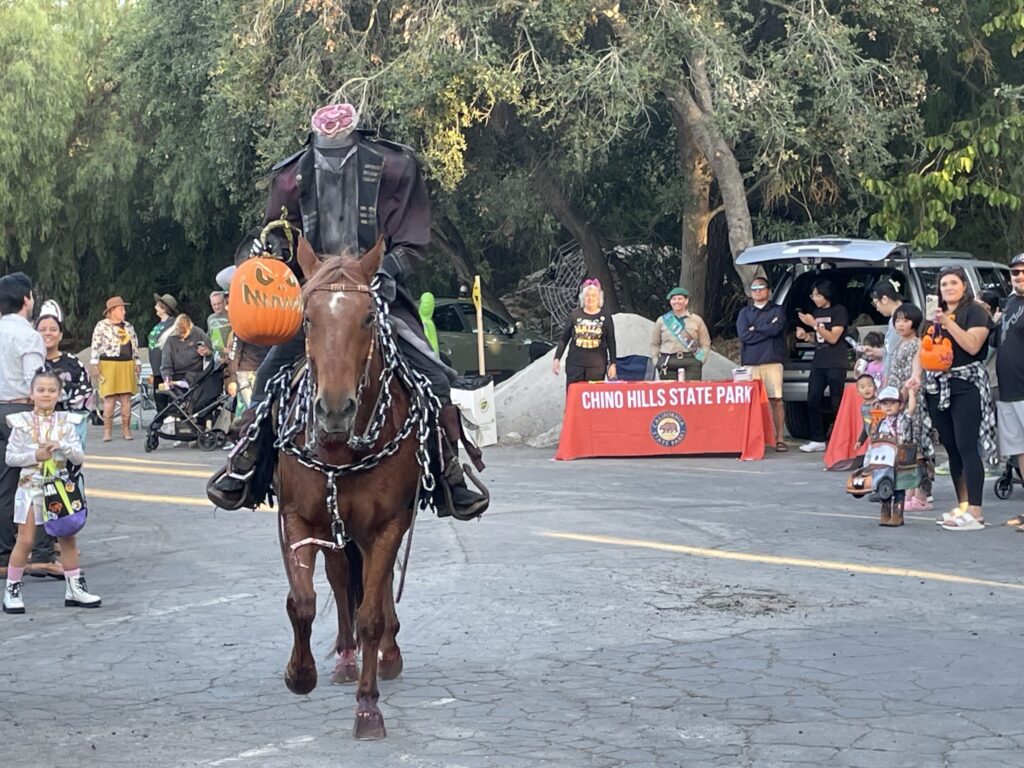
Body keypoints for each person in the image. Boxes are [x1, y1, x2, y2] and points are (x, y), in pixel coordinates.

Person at [207, 103, 487, 519]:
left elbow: (412, 243)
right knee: (268, 374)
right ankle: (247, 462)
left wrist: (383, 269)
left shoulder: (394, 167)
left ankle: (449, 472)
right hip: (316, 297)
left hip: (374, 291)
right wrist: (272, 259)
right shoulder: (290, 176)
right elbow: (277, 238)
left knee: (431, 373)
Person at [2, 369, 101, 613]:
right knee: (25, 539)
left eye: (52, 390)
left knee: (67, 537)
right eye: (41, 390)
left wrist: (63, 446)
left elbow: (79, 456)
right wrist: (35, 455)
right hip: (29, 486)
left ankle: (75, 587)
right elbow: (11, 457)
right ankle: (12, 589)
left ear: (59, 394)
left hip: (60, 489)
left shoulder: (68, 422)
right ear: (31, 394)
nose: (46, 395)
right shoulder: (21, 422)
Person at [909, 265, 996, 531]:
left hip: (965, 383)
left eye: (953, 283)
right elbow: (921, 350)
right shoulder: (933, 316)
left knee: (967, 445)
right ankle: (963, 506)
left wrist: (948, 323)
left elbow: (972, 344)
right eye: (944, 284)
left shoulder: (976, 312)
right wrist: (915, 376)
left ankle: (977, 511)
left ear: (964, 286)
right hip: (937, 386)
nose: (948, 288)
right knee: (952, 446)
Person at [31, 301, 92, 579]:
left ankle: (62, 533)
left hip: (68, 429)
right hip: (38, 432)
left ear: (60, 332)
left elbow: (85, 396)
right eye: (42, 328)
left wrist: (66, 417)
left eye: (52, 328)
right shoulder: (33, 361)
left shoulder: (73, 362)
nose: (48, 333)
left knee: (67, 482)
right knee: (36, 485)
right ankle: (39, 540)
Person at [0, 273, 45, 582]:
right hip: (19, 409)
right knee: (31, 482)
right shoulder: (28, 335)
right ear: (26, 298)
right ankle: (40, 550)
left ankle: (5, 553)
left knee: (3, 483)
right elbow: (36, 384)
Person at [886, 303, 934, 511]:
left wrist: (901, 397)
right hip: (899, 401)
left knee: (917, 449)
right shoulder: (900, 344)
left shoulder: (915, 344)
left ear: (915, 322)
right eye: (897, 320)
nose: (900, 324)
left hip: (912, 402)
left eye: (905, 320)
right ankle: (909, 492)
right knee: (906, 450)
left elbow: (910, 376)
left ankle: (921, 495)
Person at [794, 279, 849, 452]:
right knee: (813, 399)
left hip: (836, 361)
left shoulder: (839, 311)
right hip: (819, 361)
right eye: (813, 295)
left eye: (818, 295)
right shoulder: (816, 312)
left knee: (836, 401)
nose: (815, 298)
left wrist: (813, 324)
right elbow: (818, 339)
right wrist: (805, 336)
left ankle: (841, 436)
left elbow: (833, 338)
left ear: (827, 294)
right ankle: (817, 438)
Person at [736, 276, 788, 451]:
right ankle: (752, 439)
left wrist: (756, 329)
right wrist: (766, 328)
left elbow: (777, 329)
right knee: (750, 402)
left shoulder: (778, 310)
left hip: (773, 360)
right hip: (750, 362)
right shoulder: (744, 313)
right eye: (754, 288)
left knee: (776, 400)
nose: (757, 291)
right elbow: (744, 335)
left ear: (768, 290)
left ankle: (779, 438)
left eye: (761, 287)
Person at [994, 253, 1024, 529]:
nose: (1019, 276)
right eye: (1015, 273)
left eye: (1023, 272)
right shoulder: (1010, 303)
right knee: (1020, 452)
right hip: (1008, 390)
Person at [89, 296, 141, 442]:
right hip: (108, 364)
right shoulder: (102, 326)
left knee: (126, 398)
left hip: (126, 363)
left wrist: (137, 362)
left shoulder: (129, 327)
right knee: (109, 398)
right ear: (112, 311)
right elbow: (95, 345)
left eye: (123, 309)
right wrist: (95, 364)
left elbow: (134, 346)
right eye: (121, 309)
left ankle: (126, 429)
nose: (124, 311)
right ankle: (107, 431)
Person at [552, 279, 617, 390]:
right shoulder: (575, 315)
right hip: (575, 365)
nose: (590, 298)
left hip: (597, 367)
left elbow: (611, 341)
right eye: (587, 295)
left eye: (593, 295)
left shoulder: (606, 317)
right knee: (574, 399)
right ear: (583, 297)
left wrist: (613, 364)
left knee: (593, 401)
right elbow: (564, 338)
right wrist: (557, 358)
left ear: (599, 298)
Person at [870, 385, 916, 528]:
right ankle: (885, 513)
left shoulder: (902, 419)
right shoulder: (879, 423)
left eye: (893, 403)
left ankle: (897, 515)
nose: (888, 407)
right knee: (884, 485)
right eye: (884, 403)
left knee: (899, 487)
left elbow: (912, 410)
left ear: (900, 404)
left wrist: (912, 393)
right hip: (885, 461)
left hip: (900, 459)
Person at [155, 315, 213, 423]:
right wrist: (167, 379)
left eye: (184, 334)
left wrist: (207, 353)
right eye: (179, 335)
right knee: (176, 395)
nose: (182, 337)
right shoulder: (170, 340)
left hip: (196, 374)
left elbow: (212, 351)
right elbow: (166, 364)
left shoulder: (198, 333)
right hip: (177, 375)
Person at [650, 287, 710, 382]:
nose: (676, 302)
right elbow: (654, 343)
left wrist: (701, 360)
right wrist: (656, 361)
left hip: (691, 359)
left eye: (680, 299)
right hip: (668, 360)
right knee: (669, 393)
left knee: (692, 392)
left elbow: (705, 343)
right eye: (673, 299)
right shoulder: (662, 320)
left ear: (686, 301)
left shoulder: (696, 320)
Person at [868, 278, 904, 385]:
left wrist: (886, 384)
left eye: (876, 304)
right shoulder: (896, 318)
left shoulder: (898, 321)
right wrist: (874, 352)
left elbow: (893, 355)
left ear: (884, 299)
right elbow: (891, 350)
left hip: (897, 380)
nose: (877, 309)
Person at [148, 293, 179, 390]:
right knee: (159, 399)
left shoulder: (174, 324)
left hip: (168, 369)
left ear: (164, 308)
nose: (155, 307)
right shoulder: (157, 325)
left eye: (158, 305)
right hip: (156, 369)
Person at [851, 373, 878, 454]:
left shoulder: (878, 404)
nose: (867, 389)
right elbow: (866, 426)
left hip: (881, 439)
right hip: (871, 440)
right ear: (858, 392)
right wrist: (860, 441)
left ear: (875, 388)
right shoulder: (863, 407)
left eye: (869, 386)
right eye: (862, 387)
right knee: (868, 462)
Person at [206, 291, 232, 363]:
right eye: (214, 305)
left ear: (224, 302)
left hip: (230, 357)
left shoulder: (232, 315)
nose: (216, 307)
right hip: (215, 358)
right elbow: (209, 337)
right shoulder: (210, 318)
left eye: (219, 304)